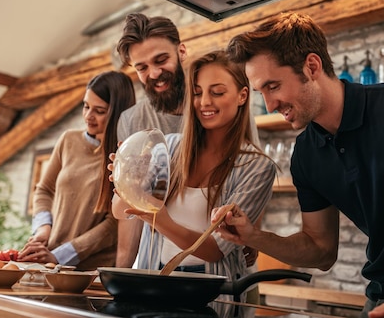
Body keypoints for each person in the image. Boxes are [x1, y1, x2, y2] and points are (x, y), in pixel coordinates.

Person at [213, 12, 384, 318]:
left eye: (273, 86)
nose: (269, 105)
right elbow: (320, 250)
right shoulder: (306, 153)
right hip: (382, 297)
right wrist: (253, 236)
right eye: (261, 93)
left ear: (311, 66)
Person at [112, 50, 276, 302]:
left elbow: (215, 250)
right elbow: (121, 210)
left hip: (209, 295)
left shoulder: (256, 167)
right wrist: (126, 179)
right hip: (151, 283)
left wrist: (162, 221)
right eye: (198, 93)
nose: (204, 102)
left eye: (217, 92)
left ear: (242, 95)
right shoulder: (169, 146)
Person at [18, 71, 136, 270]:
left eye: (99, 111)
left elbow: (113, 224)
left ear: (118, 113)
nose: (88, 116)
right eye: (86, 106)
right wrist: (42, 231)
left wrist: (61, 256)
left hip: (91, 273)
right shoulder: (68, 140)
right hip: (50, 262)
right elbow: (44, 190)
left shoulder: (126, 157)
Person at [114, 12, 188, 268]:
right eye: (142, 67)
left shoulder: (213, 106)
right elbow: (129, 211)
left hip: (214, 261)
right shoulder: (131, 120)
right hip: (154, 262)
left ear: (181, 51)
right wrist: (120, 272)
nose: (155, 73)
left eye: (161, 60)